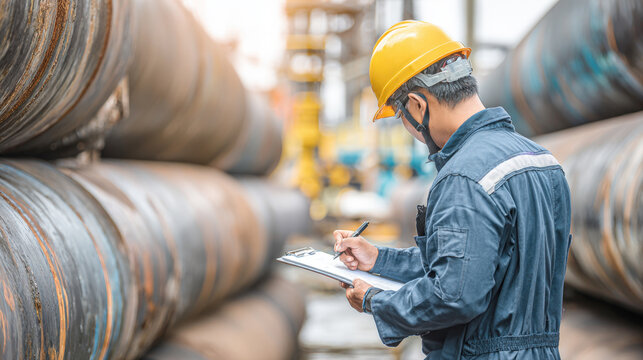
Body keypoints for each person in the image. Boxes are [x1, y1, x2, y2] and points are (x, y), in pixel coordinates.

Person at [333, 20, 572, 359]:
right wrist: (379, 260)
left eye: (401, 114)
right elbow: (479, 260)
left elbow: (454, 294)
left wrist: (375, 300)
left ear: (417, 105)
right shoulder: (542, 161)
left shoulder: (462, 177)